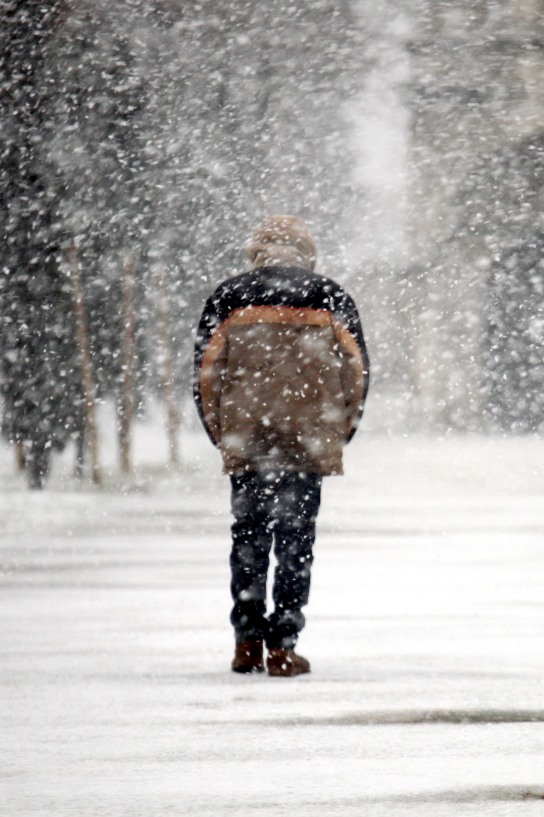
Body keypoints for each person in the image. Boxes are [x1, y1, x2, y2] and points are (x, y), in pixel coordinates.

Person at [193, 216, 369, 676]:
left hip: (248, 437)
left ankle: (246, 641)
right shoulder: (330, 296)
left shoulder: (229, 296)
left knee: (248, 537)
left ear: (258, 251)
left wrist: (222, 430)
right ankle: (284, 646)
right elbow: (356, 370)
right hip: (309, 437)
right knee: (296, 540)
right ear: (305, 251)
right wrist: (339, 429)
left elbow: (207, 372)